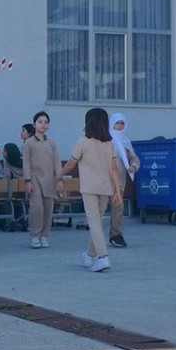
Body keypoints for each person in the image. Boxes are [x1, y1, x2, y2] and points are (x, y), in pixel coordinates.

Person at [63, 108, 121, 273]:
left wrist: (58, 174)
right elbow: (114, 170)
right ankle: (89, 255)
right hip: (106, 188)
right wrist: (118, 192)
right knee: (97, 222)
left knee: (94, 223)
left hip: (89, 188)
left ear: (88, 122)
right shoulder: (110, 144)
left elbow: (71, 164)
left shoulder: (83, 142)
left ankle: (102, 257)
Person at [22, 111, 60, 249]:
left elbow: (56, 162)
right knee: (36, 206)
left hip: (49, 179)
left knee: (48, 207)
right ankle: (35, 235)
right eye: (40, 122)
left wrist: (59, 179)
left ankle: (44, 235)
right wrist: (27, 180)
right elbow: (26, 162)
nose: (43, 125)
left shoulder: (51, 143)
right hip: (34, 178)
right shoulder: (29, 143)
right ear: (34, 124)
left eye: (45, 122)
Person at [106, 112, 140, 247]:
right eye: (117, 123)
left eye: (122, 123)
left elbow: (134, 158)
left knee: (118, 207)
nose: (119, 126)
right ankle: (95, 237)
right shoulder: (106, 140)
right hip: (104, 179)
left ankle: (116, 234)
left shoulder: (126, 142)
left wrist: (133, 167)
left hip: (119, 180)